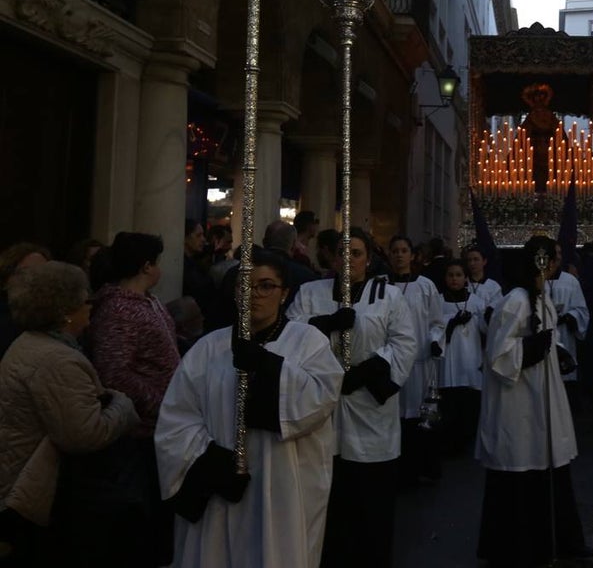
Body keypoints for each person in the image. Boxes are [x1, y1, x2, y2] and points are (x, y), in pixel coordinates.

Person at [156, 249, 343, 567]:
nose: (254, 294)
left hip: (283, 484)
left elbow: (320, 398)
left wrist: (266, 366)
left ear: (284, 294)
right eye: (246, 285)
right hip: (220, 490)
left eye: (266, 285)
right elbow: (177, 418)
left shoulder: (307, 342)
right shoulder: (208, 348)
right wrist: (211, 463)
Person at [286, 229, 417, 567]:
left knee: (369, 503)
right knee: (327, 502)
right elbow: (290, 332)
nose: (349, 261)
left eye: (356, 253)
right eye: (342, 254)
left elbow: (404, 342)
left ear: (368, 258)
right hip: (322, 406)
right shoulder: (310, 292)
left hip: (368, 407)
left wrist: (367, 372)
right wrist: (326, 322)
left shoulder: (387, 296)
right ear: (331, 257)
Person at [0, 262, 139, 566]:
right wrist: (122, 406)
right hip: (46, 495)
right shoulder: (57, 359)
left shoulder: (31, 344)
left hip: (27, 483)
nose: (91, 307)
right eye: (86, 300)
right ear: (66, 309)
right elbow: (84, 434)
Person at [476, 236, 593, 567]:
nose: (554, 263)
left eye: (556, 257)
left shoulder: (541, 298)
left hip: (544, 397)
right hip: (519, 405)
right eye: (550, 257)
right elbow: (499, 356)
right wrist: (532, 349)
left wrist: (555, 352)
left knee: (552, 468)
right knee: (523, 470)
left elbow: (545, 340)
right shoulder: (515, 301)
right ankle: (520, 546)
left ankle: (563, 538)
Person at [88, 231, 182, 565]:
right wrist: (160, 400)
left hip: (161, 426)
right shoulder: (118, 309)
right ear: (146, 266)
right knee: (139, 518)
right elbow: (114, 372)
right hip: (139, 430)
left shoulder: (147, 301)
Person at [388, 234, 444, 485]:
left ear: (412, 256)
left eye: (404, 250)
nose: (400, 255)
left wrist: (434, 340)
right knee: (394, 415)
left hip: (419, 361)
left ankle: (421, 467)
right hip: (390, 359)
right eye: (395, 250)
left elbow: (437, 321)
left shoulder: (425, 286)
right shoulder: (380, 285)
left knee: (419, 417)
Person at [438, 260, 487, 455]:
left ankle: (467, 439)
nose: (454, 279)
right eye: (450, 275)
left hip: (470, 358)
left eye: (458, 275)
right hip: (449, 359)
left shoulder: (476, 301)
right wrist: (452, 322)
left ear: (465, 278)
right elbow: (433, 328)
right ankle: (450, 443)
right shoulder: (439, 301)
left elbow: (485, 328)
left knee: (469, 402)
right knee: (449, 403)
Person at [548, 244, 590, 411]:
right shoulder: (538, 279)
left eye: (559, 252)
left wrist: (569, 317)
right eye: (554, 253)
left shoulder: (570, 281)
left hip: (564, 335)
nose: (557, 257)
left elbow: (582, 310)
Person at [0, 243, 50, 360]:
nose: (34, 280)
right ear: (6, 279)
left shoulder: (53, 320)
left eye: (42, 273)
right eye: (25, 273)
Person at [464, 244, 503, 310]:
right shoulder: (462, 283)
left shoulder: (493, 286)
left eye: (476, 259)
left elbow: (498, 307)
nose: (472, 263)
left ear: (484, 261)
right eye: (469, 260)